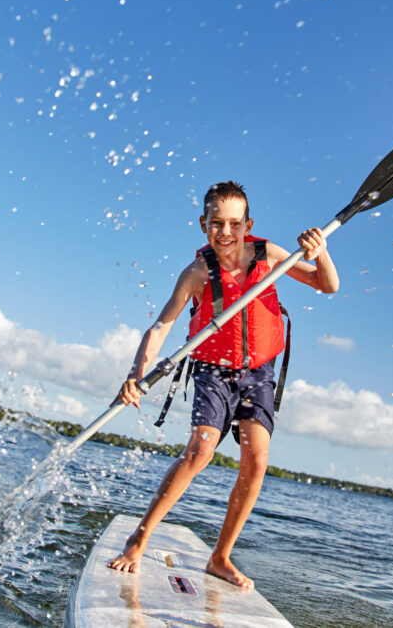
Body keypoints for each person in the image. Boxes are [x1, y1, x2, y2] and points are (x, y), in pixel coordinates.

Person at [107, 180, 339, 589]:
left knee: (257, 460)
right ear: (203, 225)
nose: (226, 233)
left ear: (248, 224)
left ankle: (220, 557)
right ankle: (138, 539)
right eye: (217, 223)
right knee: (199, 450)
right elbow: (161, 326)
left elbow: (327, 285)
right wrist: (135, 374)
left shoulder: (270, 256)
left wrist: (321, 254)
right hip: (213, 370)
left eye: (235, 224)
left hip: (258, 373)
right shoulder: (196, 273)